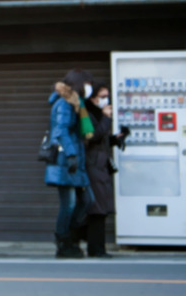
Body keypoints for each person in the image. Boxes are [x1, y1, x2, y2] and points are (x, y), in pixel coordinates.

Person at [45, 69, 93, 259]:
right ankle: (64, 244)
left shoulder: (75, 103)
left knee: (87, 201)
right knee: (69, 204)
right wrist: (72, 155)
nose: (89, 88)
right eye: (87, 84)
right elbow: (61, 131)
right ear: (79, 85)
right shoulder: (64, 104)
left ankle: (71, 239)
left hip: (74, 161)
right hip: (65, 161)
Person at [84, 83, 123, 258]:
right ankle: (96, 249)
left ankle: (97, 247)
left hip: (100, 166)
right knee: (97, 209)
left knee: (101, 208)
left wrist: (115, 139)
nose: (106, 100)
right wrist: (107, 118)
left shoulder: (98, 114)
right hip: (93, 167)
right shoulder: (87, 114)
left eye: (107, 96)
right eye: (102, 96)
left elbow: (101, 139)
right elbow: (92, 137)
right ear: (92, 98)